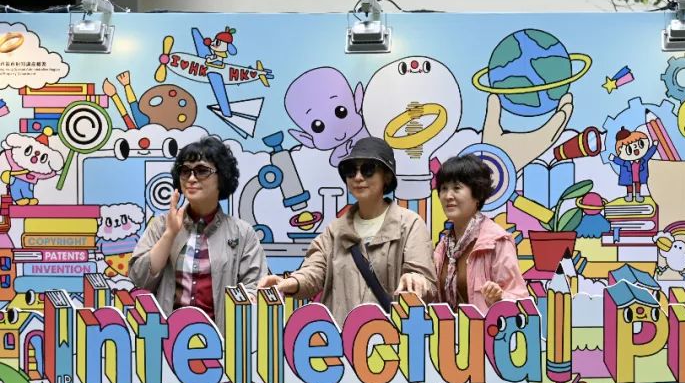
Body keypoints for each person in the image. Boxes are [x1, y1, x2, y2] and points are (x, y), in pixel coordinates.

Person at [258, 137, 435, 323]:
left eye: (368, 169)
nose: (358, 177)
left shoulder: (409, 224)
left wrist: (416, 279)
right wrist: (290, 283)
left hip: (391, 337)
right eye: (351, 171)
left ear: (387, 177)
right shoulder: (334, 231)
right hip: (341, 338)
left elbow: (425, 280)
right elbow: (313, 272)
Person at [129, 136, 266, 332]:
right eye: (185, 171)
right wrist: (170, 234)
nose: (191, 179)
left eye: (202, 171)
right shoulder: (161, 225)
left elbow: (255, 287)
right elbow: (139, 279)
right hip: (168, 338)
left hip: (222, 341)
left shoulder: (242, 233)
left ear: (222, 177)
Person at [433, 153, 527, 313]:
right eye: (443, 189)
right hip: (448, 329)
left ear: (477, 194)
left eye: (457, 188)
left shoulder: (496, 241)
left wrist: (500, 297)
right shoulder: (443, 247)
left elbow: (520, 299)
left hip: (487, 328)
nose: (448, 196)